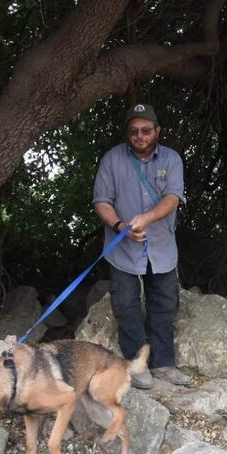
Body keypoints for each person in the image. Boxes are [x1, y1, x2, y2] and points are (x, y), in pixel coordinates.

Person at [92, 103, 191, 388]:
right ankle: (136, 366)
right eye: (134, 131)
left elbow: (173, 198)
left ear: (157, 131)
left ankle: (164, 364)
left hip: (161, 247)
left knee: (163, 305)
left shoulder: (171, 159)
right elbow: (101, 201)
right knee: (126, 304)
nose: (140, 136)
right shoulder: (112, 159)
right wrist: (121, 226)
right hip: (122, 246)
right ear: (128, 133)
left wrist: (146, 219)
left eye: (146, 131)